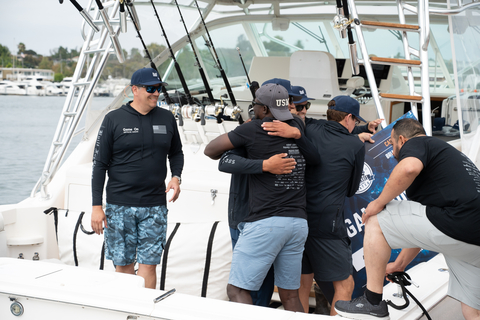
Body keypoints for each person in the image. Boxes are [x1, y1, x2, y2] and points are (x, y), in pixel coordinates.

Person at [334, 118, 480, 320]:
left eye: (394, 146)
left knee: (377, 218)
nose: (394, 153)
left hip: (458, 222)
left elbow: (408, 168)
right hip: (472, 242)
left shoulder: (420, 143)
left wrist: (378, 203)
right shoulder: (450, 158)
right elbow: (423, 230)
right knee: (473, 311)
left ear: (402, 140)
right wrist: (399, 264)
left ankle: (372, 302)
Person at [204, 83, 320, 311]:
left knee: (237, 290)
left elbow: (211, 151)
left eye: (255, 105)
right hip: (297, 223)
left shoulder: (255, 129)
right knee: (290, 296)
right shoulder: (296, 125)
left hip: (266, 222)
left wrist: (263, 165)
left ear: (264, 109)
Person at [263, 95, 379, 315]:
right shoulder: (354, 145)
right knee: (345, 285)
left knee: (301, 285)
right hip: (327, 224)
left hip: (297, 217)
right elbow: (351, 190)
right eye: (355, 121)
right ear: (349, 118)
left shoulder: (310, 128)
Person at [91, 67, 184, 289]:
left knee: (149, 265)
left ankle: (144, 312)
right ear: (135, 89)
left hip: (154, 205)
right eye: (150, 88)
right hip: (120, 205)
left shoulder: (167, 117)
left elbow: (176, 152)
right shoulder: (113, 119)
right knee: (123, 267)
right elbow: (99, 165)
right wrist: (96, 206)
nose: (156, 93)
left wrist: (176, 177)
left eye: (159, 88)